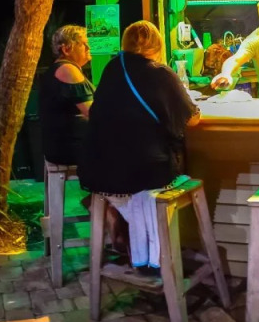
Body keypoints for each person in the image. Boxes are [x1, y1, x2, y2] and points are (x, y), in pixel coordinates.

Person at [80, 21, 200, 273]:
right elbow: (192, 118)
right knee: (149, 188)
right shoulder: (160, 72)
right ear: (157, 45)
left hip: (99, 170)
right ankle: (156, 260)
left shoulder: (113, 67)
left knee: (137, 199)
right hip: (143, 172)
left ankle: (139, 250)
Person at [39, 25, 94, 166]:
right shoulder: (68, 70)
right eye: (83, 44)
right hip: (71, 151)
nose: (88, 48)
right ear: (66, 49)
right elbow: (94, 112)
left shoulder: (59, 69)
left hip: (62, 149)